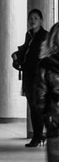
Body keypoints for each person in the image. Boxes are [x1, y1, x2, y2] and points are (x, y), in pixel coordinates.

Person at [15, 9, 49, 146]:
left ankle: (38, 136)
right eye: (30, 18)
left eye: (35, 18)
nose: (32, 21)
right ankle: (38, 135)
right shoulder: (29, 35)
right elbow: (26, 51)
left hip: (39, 77)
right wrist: (18, 55)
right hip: (28, 75)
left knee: (37, 107)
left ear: (41, 20)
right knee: (33, 106)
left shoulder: (45, 36)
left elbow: (44, 56)